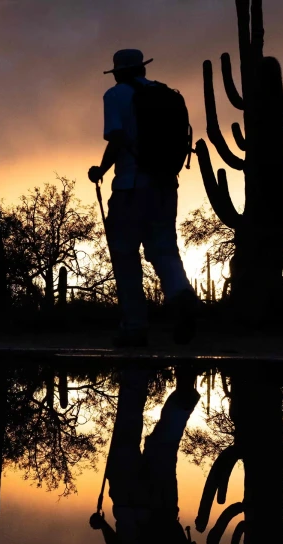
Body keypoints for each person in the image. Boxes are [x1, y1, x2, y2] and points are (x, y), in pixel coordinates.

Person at [89, 49, 198, 347]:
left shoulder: (115, 95)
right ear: (143, 70)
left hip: (130, 186)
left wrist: (102, 169)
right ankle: (181, 295)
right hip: (165, 185)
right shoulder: (165, 94)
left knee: (125, 255)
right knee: (163, 249)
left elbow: (117, 137)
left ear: (119, 72)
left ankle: (134, 327)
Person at [90, 366, 200, 544]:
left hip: (163, 507)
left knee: (164, 445)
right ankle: (136, 369)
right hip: (128, 501)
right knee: (127, 429)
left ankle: (182, 400)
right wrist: (102, 525)